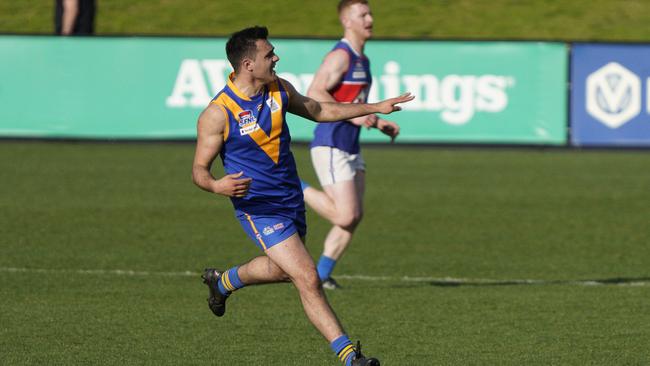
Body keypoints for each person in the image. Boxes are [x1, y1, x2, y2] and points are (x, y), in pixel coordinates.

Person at [193, 26, 412, 366]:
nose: (276, 57)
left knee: (283, 271)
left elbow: (319, 110)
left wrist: (375, 107)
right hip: (259, 207)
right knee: (307, 277)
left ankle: (223, 282)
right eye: (270, 54)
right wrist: (217, 185)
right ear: (248, 64)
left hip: (290, 197)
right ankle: (351, 358)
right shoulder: (218, 112)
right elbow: (199, 171)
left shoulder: (278, 89)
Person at [302, 0, 400, 290]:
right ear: (347, 21)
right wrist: (356, 118)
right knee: (346, 214)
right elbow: (314, 92)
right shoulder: (340, 55)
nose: (370, 18)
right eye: (362, 14)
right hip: (330, 141)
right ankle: (295, 186)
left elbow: (356, 105)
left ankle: (321, 275)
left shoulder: (363, 60)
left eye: (370, 13)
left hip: (350, 146)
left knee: (353, 217)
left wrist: (378, 122)